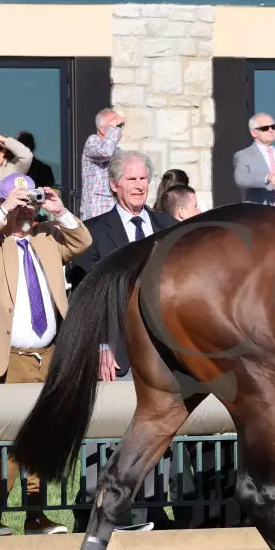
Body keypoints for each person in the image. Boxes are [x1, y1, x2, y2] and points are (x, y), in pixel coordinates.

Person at [0, 172, 91, 536]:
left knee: (41, 435)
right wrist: (5, 208)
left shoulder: (46, 238)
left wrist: (59, 210)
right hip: (8, 356)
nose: (26, 208)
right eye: (18, 201)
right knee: (12, 439)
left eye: (29, 200)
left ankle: (35, 516)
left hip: (47, 353)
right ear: (4, 203)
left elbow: (82, 241)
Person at [70, 151, 177, 381]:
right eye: (131, 179)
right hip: (118, 355)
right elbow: (86, 298)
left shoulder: (170, 227)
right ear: (114, 184)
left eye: (143, 179)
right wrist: (99, 345)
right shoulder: (92, 233)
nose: (140, 186)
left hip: (170, 353)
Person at [80, 108, 125, 220]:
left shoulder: (118, 150)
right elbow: (105, 152)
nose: (119, 130)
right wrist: (114, 129)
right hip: (96, 212)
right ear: (102, 128)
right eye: (116, 126)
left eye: (120, 127)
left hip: (114, 209)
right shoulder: (92, 142)